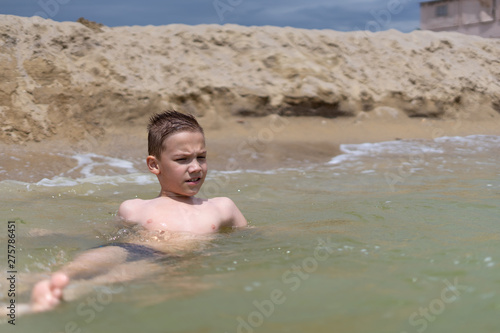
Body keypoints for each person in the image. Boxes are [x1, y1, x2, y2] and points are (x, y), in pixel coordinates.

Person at [30, 110, 247, 312]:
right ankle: (34, 281)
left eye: (201, 157)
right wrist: (57, 236)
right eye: (182, 159)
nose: (196, 167)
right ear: (154, 165)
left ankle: (58, 295)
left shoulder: (221, 206)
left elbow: (251, 238)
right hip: (128, 247)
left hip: (167, 259)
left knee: (118, 277)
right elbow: (106, 235)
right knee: (87, 262)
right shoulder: (134, 207)